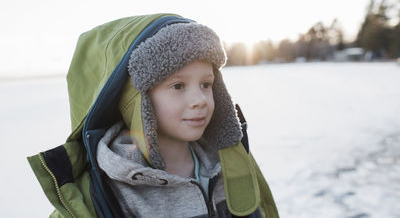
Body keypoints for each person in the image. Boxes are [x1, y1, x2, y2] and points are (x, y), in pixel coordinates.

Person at [28, 14, 279, 218]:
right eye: (178, 86)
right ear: (138, 101)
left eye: (206, 84)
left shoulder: (228, 160)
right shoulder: (109, 189)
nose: (200, 100)